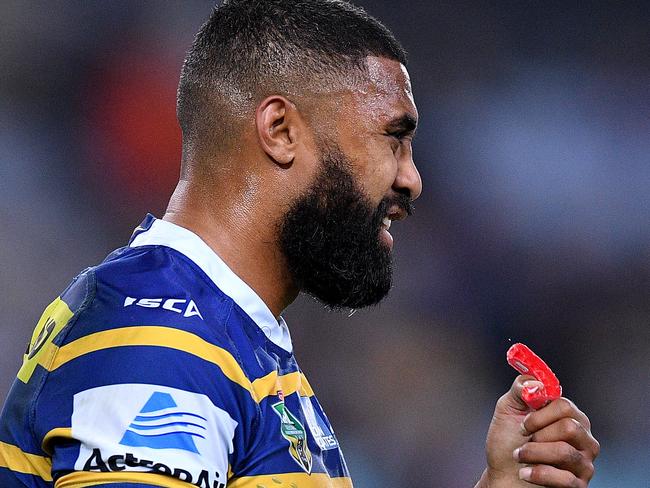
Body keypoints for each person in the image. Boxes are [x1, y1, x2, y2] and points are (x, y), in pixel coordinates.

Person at [0, 1, 599, 487]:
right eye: (392, 139)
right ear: (281, 131)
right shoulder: (160, 346)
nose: (412, 178)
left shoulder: (224, 336)